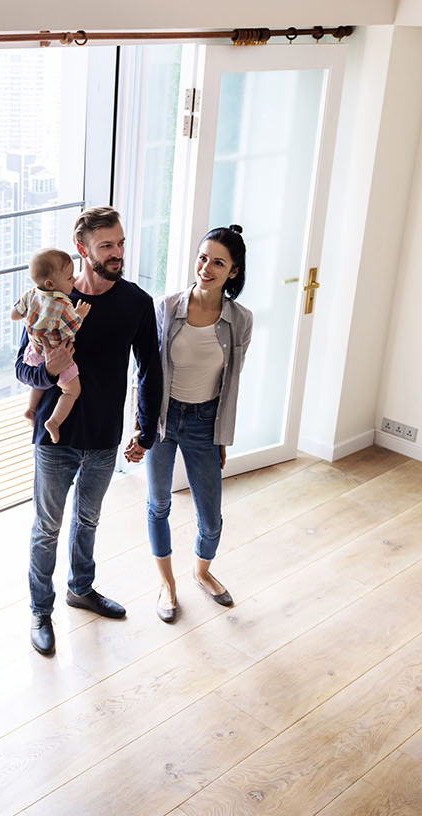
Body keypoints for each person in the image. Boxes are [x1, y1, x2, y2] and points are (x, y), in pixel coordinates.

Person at [15, 206, 162, 655]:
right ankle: (41, 610)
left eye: (119, 243)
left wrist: (145, 428)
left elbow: (150, 370)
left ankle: (82, 588)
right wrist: (50, 372)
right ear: (81, 250)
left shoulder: (137, 302)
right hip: (55, 439)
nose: (117, 253)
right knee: (47, 528)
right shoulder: (48, 299)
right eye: (106, 246)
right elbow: (24, 369)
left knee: (89, 520)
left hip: (103, 437)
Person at [147, 225, 253, 623]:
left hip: (204, 421)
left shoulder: (240, 320)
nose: (206, 267)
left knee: (211, 517)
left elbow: (232, 382)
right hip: (163, 417)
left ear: (233, 272)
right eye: (203, 257)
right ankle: (167, 584)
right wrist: (142, 427)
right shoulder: (167, 306)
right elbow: (148, 374)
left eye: (218, 263)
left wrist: (221, 436)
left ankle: (201, 571)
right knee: (158, 504)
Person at [11, 248, 92, 443]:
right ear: (51, 284)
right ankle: (54, 422)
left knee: (40, 382)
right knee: (72, 391)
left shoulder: (30, 295)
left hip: (34, 351)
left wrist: (29, 318)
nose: (73, 281)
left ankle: (31, 410)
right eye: (69, 278)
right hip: (58, 356)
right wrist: (80, 313)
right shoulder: (63, 305)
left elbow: (14, 315)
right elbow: (72, 328)